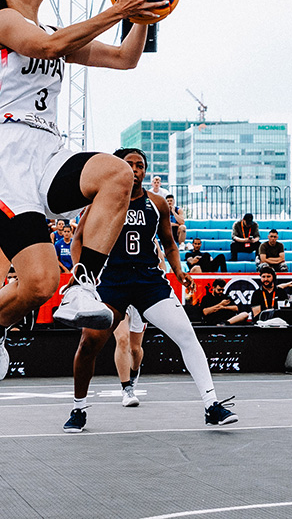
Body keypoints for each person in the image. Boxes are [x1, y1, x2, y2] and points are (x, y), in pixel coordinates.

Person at [0, 0, 165, 380]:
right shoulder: (3, 22)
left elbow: (125, 59)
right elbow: (48, 49)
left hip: (46, 148)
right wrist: (118, 9)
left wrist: (143, 16)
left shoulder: (54, 33)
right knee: (38, 283)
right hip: (1, 154)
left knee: (116, 173)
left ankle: (83, 285)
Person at [64, 147, 236, 432]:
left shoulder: (157, 203)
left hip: (149, 283)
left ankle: (211, 405)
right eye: (128, 164)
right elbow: (77, 240)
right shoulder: (100, 201)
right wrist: (81, 275)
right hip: (112, 283)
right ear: (117, 168)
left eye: (140, 165)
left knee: (187, 336)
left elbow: (169, 243)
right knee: (88, 344)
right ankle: (78, 408)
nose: (135, 169)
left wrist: (179, 271)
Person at [112, 306, 145, 407]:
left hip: (138, 300)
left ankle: (133, 373)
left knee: (135, 349)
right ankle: (126, 388)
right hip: (117, 297)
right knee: (122, 339)